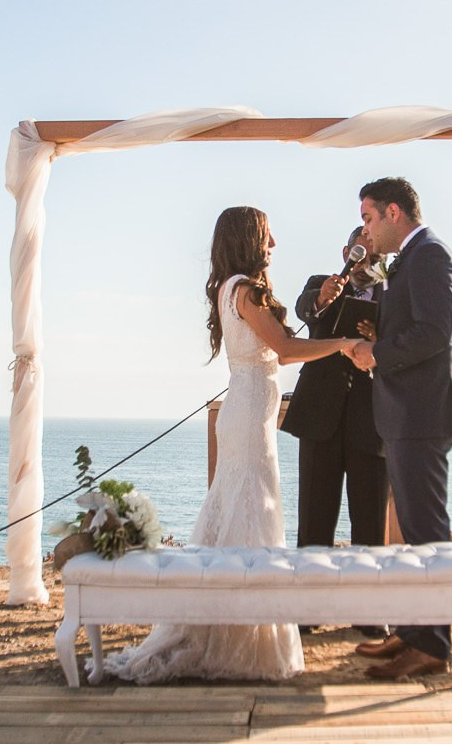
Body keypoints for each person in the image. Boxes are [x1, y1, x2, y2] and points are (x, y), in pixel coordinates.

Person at [102, 206, 358, 684]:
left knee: (243, 511)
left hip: (246, 409)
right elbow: (285, 351)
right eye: (267, 234)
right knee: (250, 513)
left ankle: (236, 622)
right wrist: (343, 343)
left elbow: (271, 348)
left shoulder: (230, 287)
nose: (274, 244)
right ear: (248, 238)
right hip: (246, 418)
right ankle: (242, 637)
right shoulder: (246, 289)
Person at [343, 176, 452, 681]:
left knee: (426, 537)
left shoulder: (431, 257)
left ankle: (434, 647)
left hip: (422, 413)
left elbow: (436, 334)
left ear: (394, 212)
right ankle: (415, 631)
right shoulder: (413, 260)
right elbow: (417, 328)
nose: (366, 230)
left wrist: (377, 352)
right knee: (414, 535)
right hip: (409, 413)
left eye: (369, 218)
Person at [285, 226, 389, 552]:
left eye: (374, 260)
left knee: (370, 531)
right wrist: (321, 298)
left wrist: (380, 339)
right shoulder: (321, 285)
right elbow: (305, 309)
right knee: (314, 527)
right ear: (347, 255)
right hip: (320, 419)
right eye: (359, 258)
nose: (365, 266)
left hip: (373, 423)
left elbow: (409, 348)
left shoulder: (396, 297)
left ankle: (370, 600)